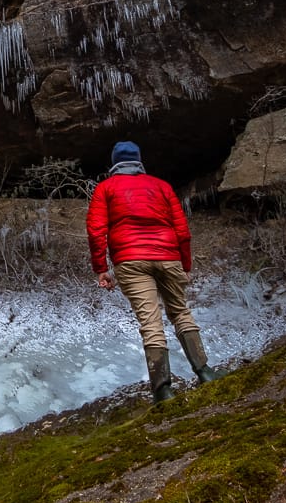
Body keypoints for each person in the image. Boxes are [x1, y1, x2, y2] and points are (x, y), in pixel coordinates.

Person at [87, 140, 216, 403]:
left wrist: (102, 269)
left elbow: (96, 230)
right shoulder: (161, 186)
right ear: (139, 161)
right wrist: (185, 265)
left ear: (115, 164)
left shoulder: (105, 189)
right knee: (180, 312)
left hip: (131, 260)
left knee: (151, 322)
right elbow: (183, 231)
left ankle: (163, 390)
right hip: (168, 256)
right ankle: (205, 372)